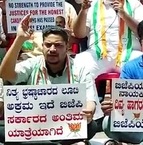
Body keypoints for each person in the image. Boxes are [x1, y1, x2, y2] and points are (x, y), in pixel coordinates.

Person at [0, 14, 99, 144]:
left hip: (64, 127)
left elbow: (90, 101)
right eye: (48, 45)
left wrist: (89, 111)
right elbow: (5, 74)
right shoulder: (33, 64)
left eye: (58, 45)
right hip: (33, 127)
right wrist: (19, 39)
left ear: (67, 47)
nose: (52, 49)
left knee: (91, 127)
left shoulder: (80, 69)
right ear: (42, 46)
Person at [73, 0, 143, 79]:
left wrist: (124, 15)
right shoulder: (92, 4)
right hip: (99, 55)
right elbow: (79, 34)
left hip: (127, 54)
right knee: (80, 64)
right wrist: (83, 11)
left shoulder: (134, 3)